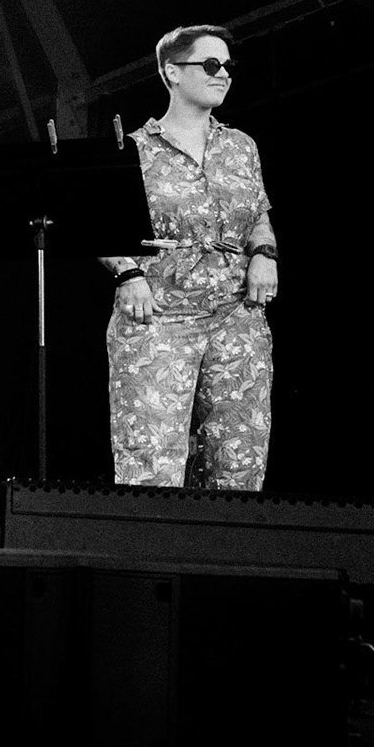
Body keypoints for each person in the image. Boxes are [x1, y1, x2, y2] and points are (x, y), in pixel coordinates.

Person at [100, 25, 279, 491]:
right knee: (150, 469)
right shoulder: (134, 150)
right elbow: (99, 227)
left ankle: (226, 561)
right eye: (211, 65)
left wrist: (265, 254)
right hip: (157, 318)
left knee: (238, 465)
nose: (223, 76)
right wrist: (128, 273)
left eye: (228, 67)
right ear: (172, 72)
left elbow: (258, 214)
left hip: (235, 317)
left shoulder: (240, 146)